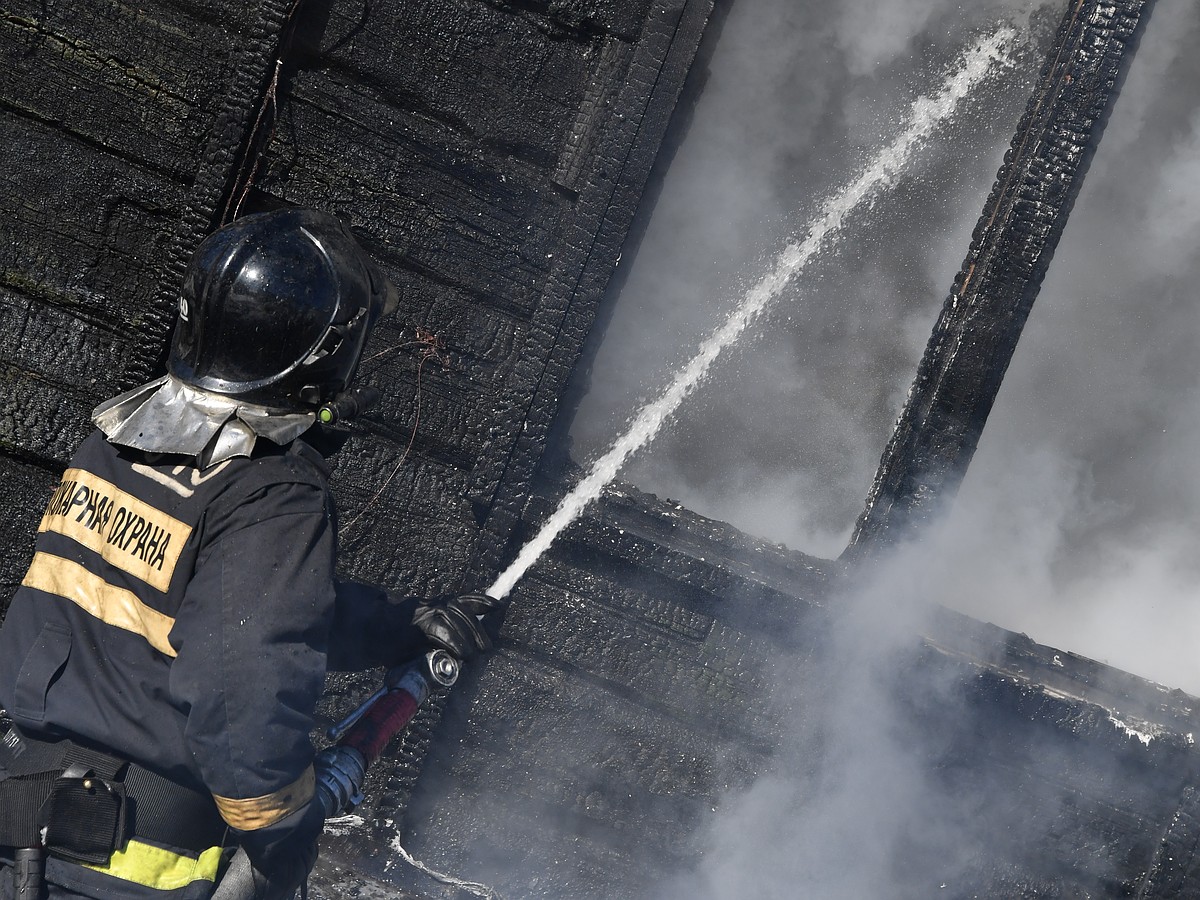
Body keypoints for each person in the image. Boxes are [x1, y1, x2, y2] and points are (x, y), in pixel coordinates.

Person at [0, 208, 504, 900]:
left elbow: (217, 607)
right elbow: (240, 687)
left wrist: (401, 628)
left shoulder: (118, 444)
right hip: (125, 873)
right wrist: (281, 829)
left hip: (21, 837)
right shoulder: (273, 493)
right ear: (324, 356)